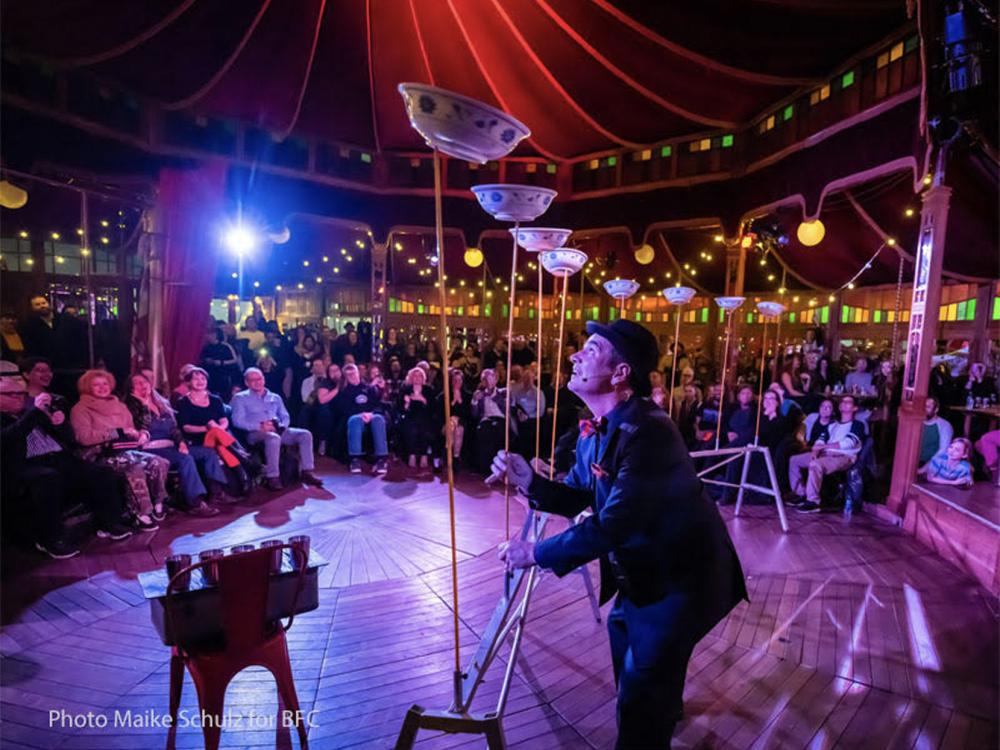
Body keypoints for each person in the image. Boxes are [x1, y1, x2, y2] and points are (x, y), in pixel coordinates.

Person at [492, 319, 747, 749]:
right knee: (626, 640)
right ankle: (659, 709)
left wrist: (534, 553)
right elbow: (576, 495)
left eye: (590, 350)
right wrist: (528, 482)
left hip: (686, 582)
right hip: (646, 577)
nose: (574, 355)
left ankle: (649, 723)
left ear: (621, 372)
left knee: (639, 696)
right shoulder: (594, 430)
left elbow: (612, 524)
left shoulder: (650, 432)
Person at [1, 374, 132, 557]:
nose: (19, 397)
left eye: (21, 393)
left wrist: (61, 423)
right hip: (26, 466)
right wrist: (35, 413)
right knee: (46, 478)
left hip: (58, 458)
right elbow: (9, 438)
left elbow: (70, 439)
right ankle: (50, 540)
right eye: (11, 394)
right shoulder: (25, 415)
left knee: (99, 471)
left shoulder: (31, 413)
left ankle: (109, 523)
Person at [70, 369, 170, 531]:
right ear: (88, 387)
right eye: (96, 385)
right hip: (99, 454)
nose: (102, 387)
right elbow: (83, 437)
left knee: (158, 461)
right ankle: (140, 514)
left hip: (124, 450)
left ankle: (159, 504)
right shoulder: (80, 409)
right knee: (134, 468)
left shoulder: (120, 405)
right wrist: (116, 432)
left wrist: (141, 434)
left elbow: (131, 430)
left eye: (105, 384)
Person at [128, 371, 228, 517]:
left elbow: (174, 428)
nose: (143, 385)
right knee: (185, 459)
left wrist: (181, 442)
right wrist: (144, 405)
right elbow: (142, 427)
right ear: (131, 389)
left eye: (144, 382)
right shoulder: (131, 407)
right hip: (151, 448)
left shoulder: (161, 403)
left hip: (171, 446)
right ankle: (196, 503)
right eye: (137, 383)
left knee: (208, 452)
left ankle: (216, 493)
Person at [230, 367, 323, 491]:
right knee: (273, 438)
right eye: (252, 380)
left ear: (264, 379)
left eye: (259, 379)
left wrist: (282, 426)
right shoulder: (240, 398)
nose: (257, 382)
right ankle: (273, 477)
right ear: (246, 383)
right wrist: (260, 426)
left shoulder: (275, 397)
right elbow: (237, 421)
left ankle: (307, 471)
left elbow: (285, 416)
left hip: (277, 430)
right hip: (255, 433)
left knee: (305, 434)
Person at [793, 395, 867, 513]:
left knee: (816, 465)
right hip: (825, 454)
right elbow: (820, 440)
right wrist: (815, 451)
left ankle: (813, 502)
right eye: (842, 401)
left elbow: (848, 443)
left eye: (848, 402)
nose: (844, 403)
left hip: (843, 456)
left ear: (855, 408)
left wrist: (823, 447)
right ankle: (801, 494)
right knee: (794, 461)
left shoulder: (857, 424)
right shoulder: (832, 424)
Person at [335, 363, 389, 474]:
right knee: (354, 420)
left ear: (358, 373)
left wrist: (371, 414)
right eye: (349, 375)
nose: (352, 376)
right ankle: (355, 459)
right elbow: (344, 409)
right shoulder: (344, 392)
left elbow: (379, 404)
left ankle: (381, 459)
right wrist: (361, 415)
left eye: (354, 373)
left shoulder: (370, 389)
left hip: (371, 416)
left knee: (379, 419)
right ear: (345, 377)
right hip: (356, 418)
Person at [787, 398, 837, 505]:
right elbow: (802, 427)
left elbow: (827, 443)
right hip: (808, 446)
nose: (825, 409)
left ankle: (812, 500)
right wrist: (802, 439)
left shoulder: (834, 425)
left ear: (833, 411)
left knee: (814, 463)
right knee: (793, 459)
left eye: (829, 407)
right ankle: (800, 493)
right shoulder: (813, 417)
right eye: (823, 406)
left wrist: (815, 450)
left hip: (822, 451)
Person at [471, 368, 508, 475]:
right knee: (483, 430)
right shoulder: (480, 394)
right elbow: (475, 414)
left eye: (490, 379)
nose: (488, 382)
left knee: (495, 429)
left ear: (496, 380)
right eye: (485, 380)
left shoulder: (503, 392)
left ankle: (496, 468)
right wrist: (474, 401)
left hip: (500, 419)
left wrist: (493, 395)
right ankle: (485, 469)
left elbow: (506, 409)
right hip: (486, 420)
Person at [398, 366, 434, 468]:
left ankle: (424, 455)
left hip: (426, 417)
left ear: (423, 378)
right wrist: (407, 403)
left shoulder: (428, 390)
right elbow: (400, 408)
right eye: (415, 376)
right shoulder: (406, 390)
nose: (417, 378)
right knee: (411, 426)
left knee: (424, 425)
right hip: (410, 417)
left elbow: (433, 408)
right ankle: (412, 455)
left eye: (419, 376)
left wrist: (423, 400)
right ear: (411, 378)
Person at [199, 327, 242, 400]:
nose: (209, 336)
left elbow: (235, 360)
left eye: (212, 334)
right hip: (211, 375)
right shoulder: (206, 348)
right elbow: (202, 360)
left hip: (224, 375)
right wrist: (207, 361)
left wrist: (221, 362)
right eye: (209, 334)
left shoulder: (225, 346)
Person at [918, 396, 953, 471]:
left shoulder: (944, 425)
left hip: (932, 466)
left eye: (928, 407)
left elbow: (943, 451)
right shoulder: (916, 422)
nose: (924, 409)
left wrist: (923, 470)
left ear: (936, 409)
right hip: (914, 462)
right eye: (923, 406)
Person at [18, 293, 57, 359]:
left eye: (44, 303)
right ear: (32, 308)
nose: (42, 306)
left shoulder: (63, 320)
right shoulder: (28, 325)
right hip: (42, 361)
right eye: (37, 305)